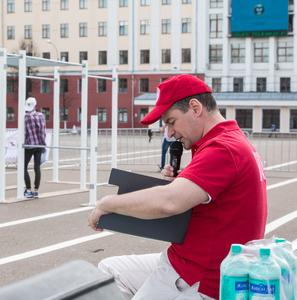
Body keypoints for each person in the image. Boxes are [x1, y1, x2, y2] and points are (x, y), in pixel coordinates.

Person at [88, 74, 267, 299]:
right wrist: (183, 183)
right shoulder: (229, 140)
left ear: (195, 107)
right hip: (188, 263)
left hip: (199, 278)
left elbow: (169, 202)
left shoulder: (222, 148)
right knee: (109, 271)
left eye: (171, 122)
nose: (170, 133)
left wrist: (107, 204)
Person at [23, 97, 46, 198]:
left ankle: (28, 189)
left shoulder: (25, 116)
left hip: (29, 145)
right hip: (39, 144)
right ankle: (36, 190)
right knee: (37, 167)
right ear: (35, 105)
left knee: (24, 166)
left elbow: (25, 132)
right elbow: (43, 132)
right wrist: (43, 144)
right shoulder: (41, 115)